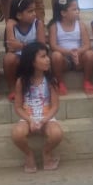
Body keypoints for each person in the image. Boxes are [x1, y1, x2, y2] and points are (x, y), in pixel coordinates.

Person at [11, 42, 63, 173]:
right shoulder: (21, 81)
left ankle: (46, 153)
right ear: (32, 61)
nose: (48, 59)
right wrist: (30, 120)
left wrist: (44, 120)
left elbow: (55, 106)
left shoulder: (51, 81)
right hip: (28, 117)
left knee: (57, 134)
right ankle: (29, 154)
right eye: (43, 56)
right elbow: (18, 107)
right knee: (17, 134)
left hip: (46, 117)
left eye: (47, 56)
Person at [48, 0, 93, 95]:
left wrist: (78, 52)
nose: (78, 11)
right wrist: (69, 52)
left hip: (78, 59)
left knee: (90, 54)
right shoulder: (55, 26)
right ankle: (60, 82)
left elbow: (87, 45)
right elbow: (53, 45)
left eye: (78, 9)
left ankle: (87, 81)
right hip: (64, 61)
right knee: (55, 55)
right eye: (74, 9)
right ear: (63, 13)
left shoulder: (80, 25)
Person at [3, 0, 46, 98]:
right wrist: (9, 26)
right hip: (18, 60)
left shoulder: (38, 24)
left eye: (34, 10)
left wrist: (22, 46)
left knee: (43, 58)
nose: (34, 14)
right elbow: (11, 48)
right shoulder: (12, 26)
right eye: (30, 11)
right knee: (9, 58)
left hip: (34, 58)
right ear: (19, 15)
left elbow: (42, 47)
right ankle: (12, 88)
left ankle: (38, 86)